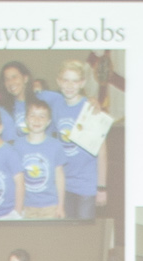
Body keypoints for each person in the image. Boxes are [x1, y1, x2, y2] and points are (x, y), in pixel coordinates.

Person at [39, 60, 106, 220]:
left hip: (86, 183)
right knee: (66, 231)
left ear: (82, 83)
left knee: (84, 233)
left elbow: (102, 151)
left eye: (75, 81)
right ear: (58, 81)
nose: (70, 85)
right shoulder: (55, 103)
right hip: (63, 183)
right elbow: (31, 92)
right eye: (65, 80)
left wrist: (102, 187)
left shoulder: (89, 108)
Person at [13, 101, 69, 220]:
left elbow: (60, 177)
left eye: (42, 116)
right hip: (26, 205)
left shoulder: (55, 145)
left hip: (50, 206)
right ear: (26, 119)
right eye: (32, 115)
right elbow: (16, 179)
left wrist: (60, 206)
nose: (37, 120)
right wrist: (17, 206)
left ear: (48, 122)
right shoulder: (18, 146)